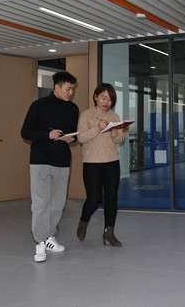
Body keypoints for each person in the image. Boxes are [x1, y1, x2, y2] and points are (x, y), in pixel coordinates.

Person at [21, 71, 79, 263]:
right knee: (41, 203)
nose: (71, 92)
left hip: (62, 161)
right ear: (57, 87)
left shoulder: (73, 109)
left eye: (72, 89)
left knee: (57, 204)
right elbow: (26, 132)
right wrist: (47, 135)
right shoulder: (38, 106)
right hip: (40, 160)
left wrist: (72, 139)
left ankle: (49, 237)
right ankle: (39, 241)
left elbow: (73, 133)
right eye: (68, 89)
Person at [76, 83, 123, 247]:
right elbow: (81, 138)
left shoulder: (114, 117)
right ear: (95, 97)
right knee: (94, 198)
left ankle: (109, 233)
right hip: (92, 162)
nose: (106, 102)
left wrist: (115, 133)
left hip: (112, 161)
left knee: (112, 198)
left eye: (110, 100)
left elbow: (119, 140)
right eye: (103, 98)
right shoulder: (86, 115)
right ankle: (83, 221)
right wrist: (98, 128)